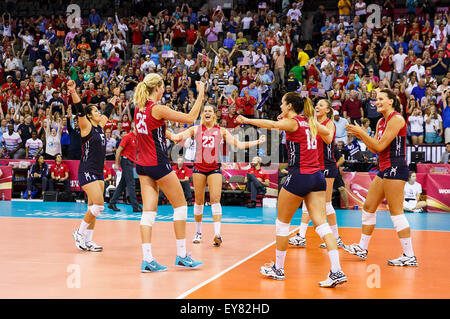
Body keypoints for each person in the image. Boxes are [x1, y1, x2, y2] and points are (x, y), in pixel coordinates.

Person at [236, 92, 347, 288]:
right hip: (317, 177)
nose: (280, 106)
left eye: (282, 103)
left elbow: (271, 125)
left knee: (282, 223)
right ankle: (337, 270)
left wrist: (247, 119)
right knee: (321, 225)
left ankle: (278, 269)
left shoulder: (294, 122)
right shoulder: (310, 122)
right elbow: (329, 137)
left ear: (289, 106)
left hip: (299, 176)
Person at [132, 73, 205, 273]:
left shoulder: (139, 108)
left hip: (142, 164)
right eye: (163, 87)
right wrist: (201, 94)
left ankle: (147, 259)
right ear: (157, 88)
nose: (164, 90)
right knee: (181, 205)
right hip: (158, 163)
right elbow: (190, 118)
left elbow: (148, 129)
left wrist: (168, 134)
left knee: (148, 213)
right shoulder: (158, 108)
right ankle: (182, 256)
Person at [171, 104, 265, 247]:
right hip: (199, 168)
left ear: (214, 115)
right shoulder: (195, 129)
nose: (207, 113)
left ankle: (217, 234)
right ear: (202, 114)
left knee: (215, 199)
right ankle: (198, 232)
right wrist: (161, 128)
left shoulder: (221, 131)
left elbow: (238, 145)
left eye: (210, 111)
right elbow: (177, 137)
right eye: (205, 111)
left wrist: (257, 142)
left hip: (214, 168)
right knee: (199, 201)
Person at [344, 89, 418, 267]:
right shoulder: (380, 122)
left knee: (396, 212)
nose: (377, 102)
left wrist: (361, 134)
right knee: (368, 206)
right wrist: (363, 134)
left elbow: (379, 146)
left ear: (391, 101)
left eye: (381, 99)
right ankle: (362, 248)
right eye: (376, 99)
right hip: (384, 168)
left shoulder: (397, 119)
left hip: (396, 167)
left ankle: (409, 255)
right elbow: (373, 149)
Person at [70, 80, 118, 253]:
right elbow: (79, 109)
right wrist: (73, 91)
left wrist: (115, 96)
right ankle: (79, 233)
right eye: (96, 111)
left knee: (93, 208)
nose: (99, 113)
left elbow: (108, 110)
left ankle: (88, 241)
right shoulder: (86, 126)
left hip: (98, 172)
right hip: (87, 170)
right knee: (99, 205)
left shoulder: (100, 126)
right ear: (89, 116)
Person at [289, 99, 344, 249]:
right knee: (307, 204)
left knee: (326, 205)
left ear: (327, 110)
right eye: (316, 105)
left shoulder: (329, 124)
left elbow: (328, 138)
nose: (317, 107)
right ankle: (301, 236)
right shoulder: (312, 123)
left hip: (327, 166)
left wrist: (314, 124)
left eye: (320, 105)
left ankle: (336, 237)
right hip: (314, 166)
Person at [108, 124, 142, 212]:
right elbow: (119, 150)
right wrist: (116, 163)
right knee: (131, 183)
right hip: (125, 161)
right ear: (134, 128)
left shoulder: (137, 138)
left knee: (122, 184)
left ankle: (112, 203)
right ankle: (135, 206)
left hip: (130, 162)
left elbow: (137, 151)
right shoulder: (127, 137)